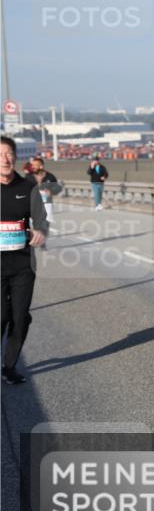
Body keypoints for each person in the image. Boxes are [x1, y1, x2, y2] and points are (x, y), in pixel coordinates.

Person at [1, 136, 49, 384]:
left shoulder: (27, 187)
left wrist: (40, 230)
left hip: (22, 265)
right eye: (0, 155)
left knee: (20, 317)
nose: (4, 159)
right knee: (1, 316)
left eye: (9, 154)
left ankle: (9, 367)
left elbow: (41, 218)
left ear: (16, 157)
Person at [27, 156, 60, 223]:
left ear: (41, 166)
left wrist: (51, 191)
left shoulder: (50, 176)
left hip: (47, 204)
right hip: (33, 205)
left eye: (35, 165)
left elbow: (57, 187)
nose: (33, 167)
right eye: (32, 165)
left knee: (45, 224)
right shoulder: (29, 177)